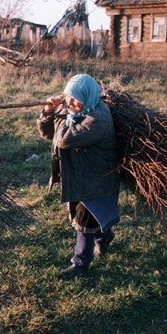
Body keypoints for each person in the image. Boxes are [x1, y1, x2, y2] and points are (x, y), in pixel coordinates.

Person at [37, 74, 120, 279]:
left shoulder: (97, 119)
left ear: (88, 96)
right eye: (68, 97)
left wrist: (60, 112)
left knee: (83, 221)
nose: (71, 102)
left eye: (76, 98)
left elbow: (63, 139)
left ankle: (81, 263)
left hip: (96, 178)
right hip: (78, 174)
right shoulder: (76, 110)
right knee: (91, 217)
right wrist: (49, 111)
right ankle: (104, 235)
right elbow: (49, 134)